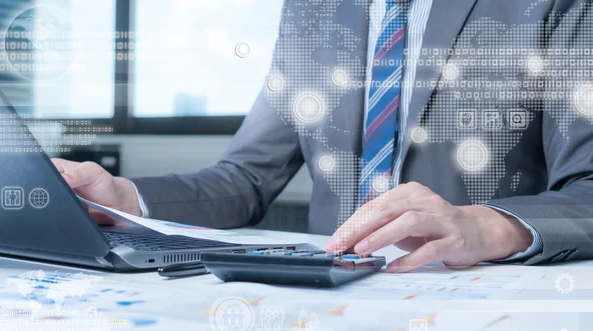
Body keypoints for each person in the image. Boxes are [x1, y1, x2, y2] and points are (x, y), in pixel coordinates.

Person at [53, 0, 593, 272]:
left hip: (474, 304)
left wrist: (488, 226)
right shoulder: (313, 11)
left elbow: (586, 187)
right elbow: (245, 178)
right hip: (325, 302)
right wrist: (125, 199)